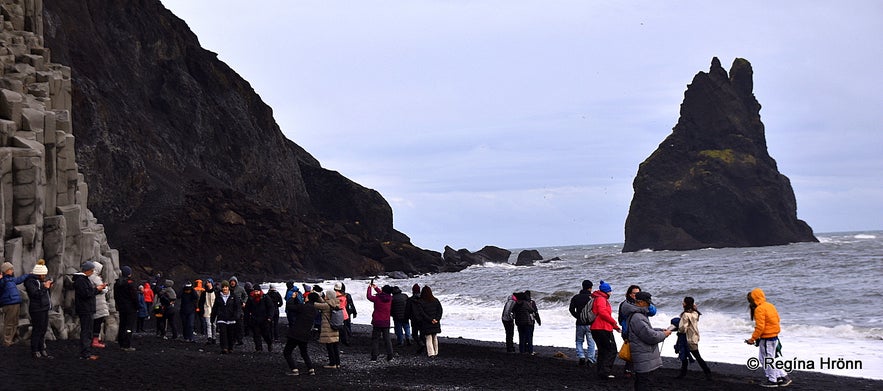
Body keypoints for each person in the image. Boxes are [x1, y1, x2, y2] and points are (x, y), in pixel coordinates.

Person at [624, 291, 672, 391]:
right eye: (648, 302)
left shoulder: (638, 315)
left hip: (644, 356)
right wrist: (664, 334)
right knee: (644, 383)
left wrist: (659, 330)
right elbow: (650, 337)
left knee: (642, 382)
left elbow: (645, 331)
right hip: (643, 357)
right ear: (641, 302)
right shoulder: (637, 317)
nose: (649, 305)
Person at [746, 288, 792, 388]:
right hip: (774, 337)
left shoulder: (759, 309)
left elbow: (760, 327)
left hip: (767, 338)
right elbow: (778, 319)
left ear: (753, 300)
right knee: (768, 358)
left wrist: (752, 339)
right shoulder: (770, 305)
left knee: (766, 359)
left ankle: (773, 380)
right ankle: (780, 377)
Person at [619, 285, 656, 377]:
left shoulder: (644, 305)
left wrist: (648, 303)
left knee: (639, 350)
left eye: (638, 293)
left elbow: (653, 312)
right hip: (628, 331)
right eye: (634, 293)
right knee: (632, 351)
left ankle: (637, 370)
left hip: (641, 329)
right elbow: (621, 319)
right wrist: (625, 329)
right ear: (629, 294)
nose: (636, 295)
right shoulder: (626, 305)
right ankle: (628, 370)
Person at [74, 261, 107, 360]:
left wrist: (96, 289)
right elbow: (86, 294)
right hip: (85, 309)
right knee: (86, 331)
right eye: (92, 270)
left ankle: (86, 353)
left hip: (86, 308)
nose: (93, 272)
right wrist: (98, 289)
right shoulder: (81, 280)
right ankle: (85, 354)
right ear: (88, 270)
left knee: (87, 331)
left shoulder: (83, 279)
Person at [590, 280, 621, 380]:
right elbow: (603, 313)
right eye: (610, 291)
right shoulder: (601, 299)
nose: (611, 293)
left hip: (598, 328)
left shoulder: (598, 298)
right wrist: (614, 323)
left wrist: (615, 327)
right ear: (607, 291)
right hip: (602, 328)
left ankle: (601, 371)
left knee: (603, 351)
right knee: (611, 350)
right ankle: (605, 371)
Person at [283, 289, 318, 376]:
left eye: (306, 297)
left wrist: (292, 297)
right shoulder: (315, 310)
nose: (304, 298)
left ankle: (294, 369)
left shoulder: (303, 307)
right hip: (305, 334)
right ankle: (311, 369)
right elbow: (299, 306)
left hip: (295, 333)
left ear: (308, 299)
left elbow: (290, 307)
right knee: (304, 352)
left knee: (287, 352)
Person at [675, 296, 712, 380]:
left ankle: (683, 374)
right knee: (697, 356)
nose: (682, 303)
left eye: (683, 302)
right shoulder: (695, 313)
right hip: (694, 337)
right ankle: (707, 372)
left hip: (686, 338)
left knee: (685, 356)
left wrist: (678, 331)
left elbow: (683, 328)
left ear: (686, 304)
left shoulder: (685, 315)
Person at [24, 260, 53, 358]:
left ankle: (41, 348)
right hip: (37, 309)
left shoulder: (40, 281)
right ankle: (35, 350)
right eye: (43, 275)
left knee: (43, 329)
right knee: (37, 329)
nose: (44, 276)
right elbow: (35, 294)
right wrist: (45, 288)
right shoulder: (30, 281)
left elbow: (42, 293)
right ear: (39, 274)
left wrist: (47, 287)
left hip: (44, 308)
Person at [1, 261, 29, 347]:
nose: (12, 270)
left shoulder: (11, 279)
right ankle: (6, 341)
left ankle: (10, 339)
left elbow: (19, 279)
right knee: (9, 323)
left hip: (15, 303)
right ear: (6, 270)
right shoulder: (3, 281)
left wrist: (28, 275)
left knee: (14, 322)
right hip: (9, 303)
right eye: (10, 269)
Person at [568, 280, 596, 366]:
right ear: (590, 288)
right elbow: (595, 310)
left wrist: (577, 316)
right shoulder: (592, 298)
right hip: (590, 323)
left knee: (579, 341)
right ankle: (591, 359)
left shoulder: (576, 297)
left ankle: (581, 356)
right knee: (591, 341)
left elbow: (571, 309)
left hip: (580, 323)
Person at [312, 291, 342, 368]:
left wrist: (314, 296)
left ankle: (332, 364)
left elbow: (315, 305)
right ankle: (337, 363)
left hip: (328, 328)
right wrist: (319, 297)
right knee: (335, 346)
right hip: (335, 327)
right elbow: (324, 302)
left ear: (328, 296)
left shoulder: (326, 306)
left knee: (329, 347)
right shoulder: (335, 303)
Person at [113, 265, 139, 351]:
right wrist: (137, 306)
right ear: (129, 274)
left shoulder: (117, 283)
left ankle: (121, 342)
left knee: (122, 325)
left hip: (121, 307)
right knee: (129, 327)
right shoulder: (130, 283)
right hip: (130, 308)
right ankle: (127, 344)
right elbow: (134, 296)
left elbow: (115, 296)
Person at [412, 285, 443, 357]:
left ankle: (431, 353)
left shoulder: (420, 302)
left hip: (427, 323)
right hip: (435, 322)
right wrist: (437, 319)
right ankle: (436, 352)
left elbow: (422, 313)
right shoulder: (436, 300)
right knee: (434, 337)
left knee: (428, 338)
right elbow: (440, 311)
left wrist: (430, 320)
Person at [212, 280, 242, 354]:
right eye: (223, 287)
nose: (224, 289)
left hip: (231, 318)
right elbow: (215, 308)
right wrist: (212, 318)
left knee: (231, 334)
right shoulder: (218, 297)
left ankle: (230, 347)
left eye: (226, 287)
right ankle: (224, 348)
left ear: (228, 287)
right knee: (223, 333)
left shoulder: (233, 296)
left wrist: (236, 316)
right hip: (221, 318)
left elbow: (237, 307)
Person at [366, 283, 394, 362]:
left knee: (375, 339)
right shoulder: (390, 298)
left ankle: (374, 357)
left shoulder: (377, 298)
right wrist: (376, 288)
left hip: (377, 321)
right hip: (386, 321)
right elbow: (383, 294)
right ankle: (390, 356)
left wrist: (369, 288)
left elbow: (369, 296)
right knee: (387, 339)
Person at [245, 284, 274, 352]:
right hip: (254, 319)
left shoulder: (265, 297)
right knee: (256, 334)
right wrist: (247, 319)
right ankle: (259, 348)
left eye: (257, 291)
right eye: (255, 291)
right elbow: (247, 309)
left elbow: (271, 307)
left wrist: (270, 317)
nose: (256, 293)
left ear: (260, 291)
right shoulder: (250, 298)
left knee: (266, 334)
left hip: (264, 319)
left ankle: (269, 344)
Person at [511, 290, 540, 355]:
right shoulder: (526, 303)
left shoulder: (516, 304)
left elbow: (512, 311)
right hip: (527, 322)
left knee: (521, 337)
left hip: (519, 322)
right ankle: (530, 351)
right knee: (529, 337)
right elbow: (532, 310)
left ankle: (522, 351)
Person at [88, 261, 109, 349]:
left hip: (94, 303)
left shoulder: (89, 277)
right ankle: (95, 341)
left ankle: (92, 340)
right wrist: (106, 288)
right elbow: (103, 289)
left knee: (94, 323)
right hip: (99, 303)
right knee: (98, 322)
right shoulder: (95, 278)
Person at [197, 278, 216, 344]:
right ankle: (209, 337)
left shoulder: (215, 292)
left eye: (209, 282)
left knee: (214, 324)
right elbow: (201, 302)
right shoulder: (204, 293)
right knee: (208, 324)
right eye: (207, 282)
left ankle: (214, 337)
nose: (207, 284)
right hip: (206, 309)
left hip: (214, 309)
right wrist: (201, 310)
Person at [405, 284, 422, 348]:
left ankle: (420, 344)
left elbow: (407, 310)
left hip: (414, 319)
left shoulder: (410, 300)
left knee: (414, 334)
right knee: (422, 333)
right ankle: (423, 344)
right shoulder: (423, 299)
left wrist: (407, 318)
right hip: (423, 318)